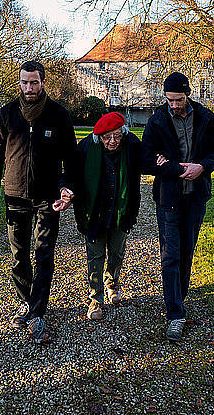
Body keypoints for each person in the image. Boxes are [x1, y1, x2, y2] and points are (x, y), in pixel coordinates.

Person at [0, 60, 76, 344]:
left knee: (43, 254)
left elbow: (70, 159)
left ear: (43, 82)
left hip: (48, 198)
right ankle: (27, 301)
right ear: (19, 83)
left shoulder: (58, 114)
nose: (29, 88)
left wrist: (66, 188)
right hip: (14, 197)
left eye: (34, 82)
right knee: (18, 257)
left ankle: (37, 312)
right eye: (24, 82)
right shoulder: (7, 114)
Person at [142, 72, 214, 341]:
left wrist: (203, 167)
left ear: (187, 94)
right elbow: (146, 158)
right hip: (168, 198)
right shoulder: (156, 121)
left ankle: (179, 296)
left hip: (196, 197)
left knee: (187, 250)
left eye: (178, 99)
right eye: (169, 100)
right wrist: (175, 167)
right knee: (170, 255)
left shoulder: (205, 117)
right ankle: (175, 313)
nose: (174, 105)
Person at [74, 112, 141, 321]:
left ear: (123, 133)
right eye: (107, 136)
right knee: (95, 257)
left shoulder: (132, 145)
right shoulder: (85, 148)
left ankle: (112, 282)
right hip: (94, 212)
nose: (112, 141)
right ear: (98, 136)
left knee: (117, 253)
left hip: (121, 211)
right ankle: (95, 298)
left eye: (117, 135)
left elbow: (149, 160)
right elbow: (71, 174)